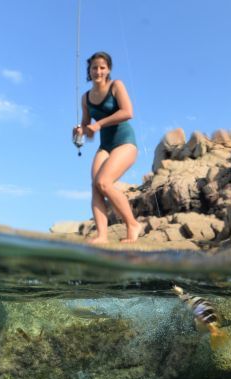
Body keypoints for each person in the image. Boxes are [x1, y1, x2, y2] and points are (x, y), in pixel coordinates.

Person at [72, 51, 142, 244]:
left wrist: (99, 124)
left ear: (108, 69)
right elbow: (89, 130)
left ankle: (132, 224)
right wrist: (80, 131)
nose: (98, 71)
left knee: (104, 182)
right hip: (105, 145)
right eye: (94, 67)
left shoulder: (116, 85)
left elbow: (128, 112)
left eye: (102, 67)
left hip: (125, 141)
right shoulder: (85, 98)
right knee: (96, 188)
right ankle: (102, 235)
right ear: (89, 70)